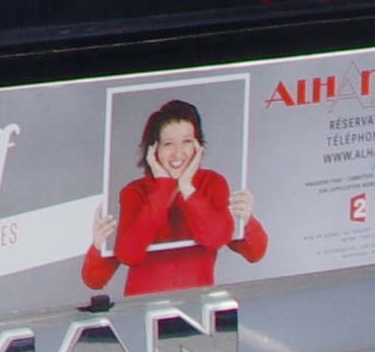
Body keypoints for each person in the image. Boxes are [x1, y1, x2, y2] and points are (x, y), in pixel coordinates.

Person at [84, 97, 269, 300]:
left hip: (196, 307)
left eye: (187, 141)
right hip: (144, 311)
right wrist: (98, 245)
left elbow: (242, 248)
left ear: (199, 146)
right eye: (168, 143)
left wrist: (188, 189)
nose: (178, 153)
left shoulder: (212, 183)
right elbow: (120, 261)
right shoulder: (135, 192)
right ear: (153, 150)